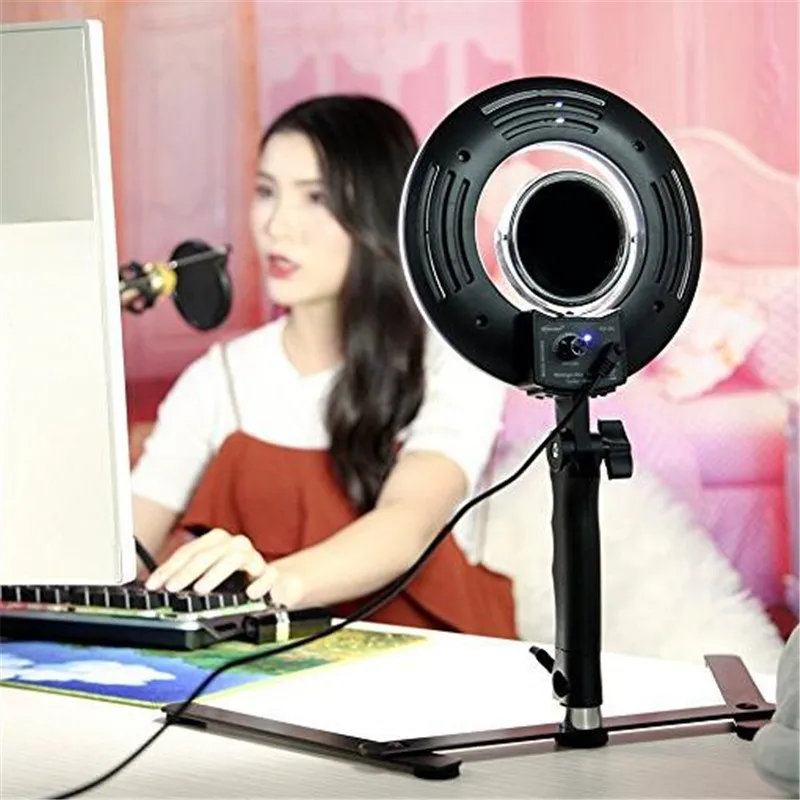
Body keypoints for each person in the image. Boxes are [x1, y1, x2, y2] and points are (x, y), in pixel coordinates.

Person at [130, 95, 516, 638]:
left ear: (378, 213)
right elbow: (125, 546)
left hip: (431, 663)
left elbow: (407, 523)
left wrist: (267, 585)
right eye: (266, 191)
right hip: (258, 668)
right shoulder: (221, 376)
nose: (278, 226)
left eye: (317, 197)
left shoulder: (450, 358)